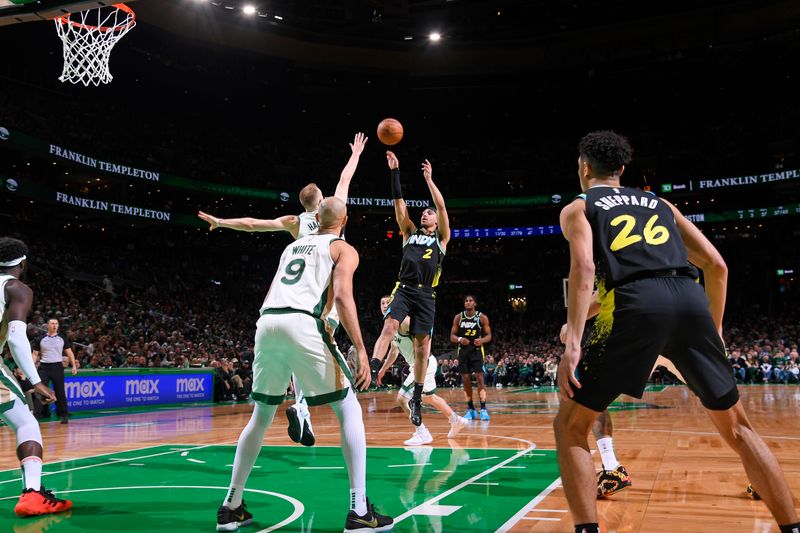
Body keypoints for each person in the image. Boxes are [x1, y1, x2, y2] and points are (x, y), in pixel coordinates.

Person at [555, 130, 799, 533]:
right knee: (739, 428)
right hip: (689, 298)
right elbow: (717, 266)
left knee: (570, 427)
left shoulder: (579, 207)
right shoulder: (660, 203)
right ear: (621, 169)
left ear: (584, 167)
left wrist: (573, 344)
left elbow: (582, 271)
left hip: (634, 303)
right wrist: (714, 328)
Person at [216, 198, 393, 533]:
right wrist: (359, 346)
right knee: (348, 408)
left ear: (315, 218)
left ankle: (231, 506)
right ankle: (359, 511)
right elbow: (342, 297)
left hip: (267, 323)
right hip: (303, 323)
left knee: (260, 416)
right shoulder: (343, 249)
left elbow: (273, 290)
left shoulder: (293, 247)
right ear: (345, 220)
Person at [198, 132, 367, 447]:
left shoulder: (294, 221)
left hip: (293, 298)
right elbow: (345, 177)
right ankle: (303, 407)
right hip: (323, 303)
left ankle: (301, 409)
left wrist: (220, 221)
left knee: (294, 353)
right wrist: (356, 153)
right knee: (335, 382)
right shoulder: (335, 210)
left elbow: (252, 224)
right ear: (324, 204)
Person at [370, 151, 450, 428]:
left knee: (422, 349)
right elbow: (398, 203)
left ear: (436, 220)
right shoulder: (409, 233)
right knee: (389, 326)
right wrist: (395, 172)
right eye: (424, 213)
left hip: (427, 295)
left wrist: (429, 180)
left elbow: (441, 206)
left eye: (429, 213)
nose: (425, 215)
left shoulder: (441, 239)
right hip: (403, 289)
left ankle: (416, 397)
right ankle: (373, 369)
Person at [0, 237, 72, 517]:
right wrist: (34, 380)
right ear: (23, 262)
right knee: (27, 423)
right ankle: (32, 494)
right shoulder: (16, 288)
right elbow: (17, 338)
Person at [375, 295, 468, 446]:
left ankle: (422, 433)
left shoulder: (405, 321)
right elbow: (393, 351)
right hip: (419, 365)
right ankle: (456, 420)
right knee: (429, 397)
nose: (385, 305)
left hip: (423, 364)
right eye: (382, 303)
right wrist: (382, 370)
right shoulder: (390, 325)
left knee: (402, 398)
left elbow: (425, 332)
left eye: (388, 302)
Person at [449, 295, 492, 420]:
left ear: (475, 303)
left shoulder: (482, 317)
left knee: (479, 378)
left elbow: (489, 335)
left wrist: (482, 340)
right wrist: (460, 339)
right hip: (463, 351)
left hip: (477, 351)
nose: (468, 303)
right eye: (466, 301)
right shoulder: (459, 317)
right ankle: (470, 408)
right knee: (466, 379)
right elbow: (452, 336)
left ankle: (483, 408)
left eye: (470, 301)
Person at [31, 318, 77, 424]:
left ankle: (63, 415)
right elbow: (34, 354)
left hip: (57, 367)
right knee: (40, 391)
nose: (54, 325)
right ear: (48, 325)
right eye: (52, 323)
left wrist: (74, 365)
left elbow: (69, 353)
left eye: (56, 323)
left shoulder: (62, 338)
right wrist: (32, 366)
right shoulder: (41, 339)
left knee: (60, 392)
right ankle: (36, 416)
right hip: (44, 368)